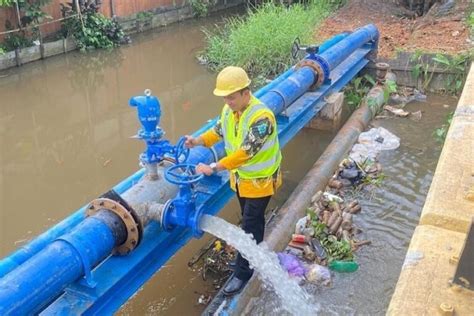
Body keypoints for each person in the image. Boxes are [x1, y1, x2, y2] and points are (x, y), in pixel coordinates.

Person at [185, 66, 282, 296]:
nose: (227, 101)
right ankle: (252, 256)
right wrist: (197, 140)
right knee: (250, 221)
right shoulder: (230, 110)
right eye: (225, 97)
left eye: (231, 96)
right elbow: (218, 131)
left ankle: (243, 272)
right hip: (241, 180)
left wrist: (214, 167)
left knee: (250, 224)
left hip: (260, 182)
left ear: (245, 93)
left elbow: (245, 152)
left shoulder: (262, 118)